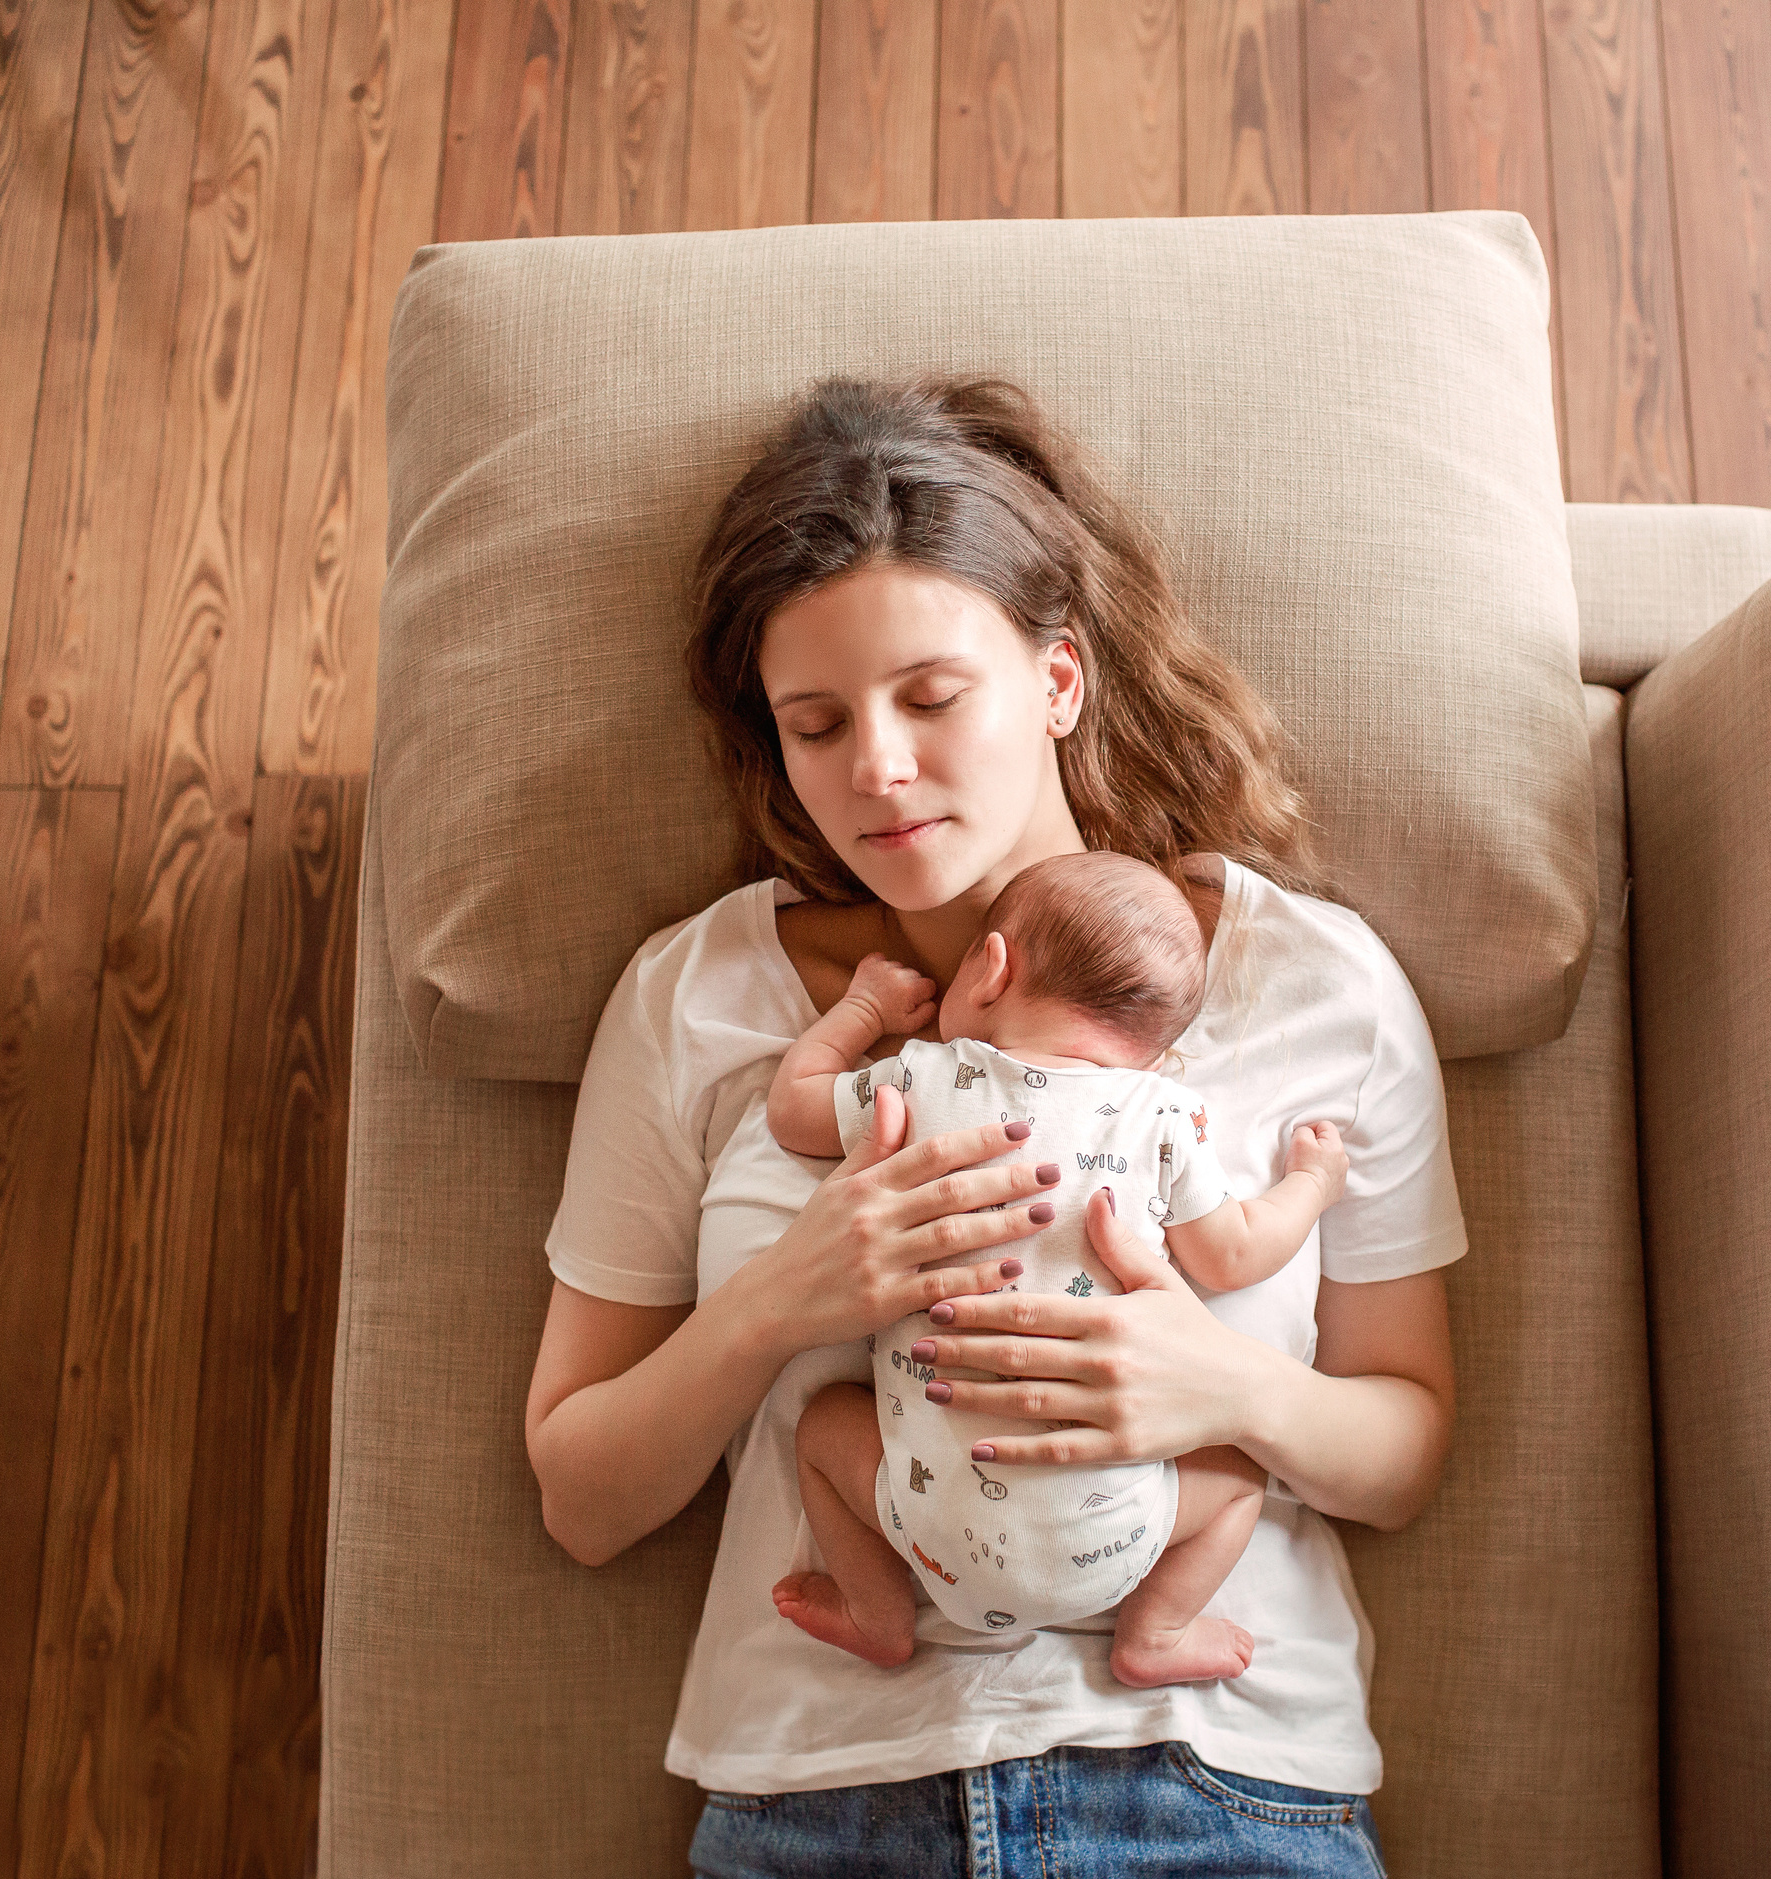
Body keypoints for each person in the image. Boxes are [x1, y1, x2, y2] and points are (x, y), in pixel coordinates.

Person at [523, 370, 1464, 1877]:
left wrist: (1213, 1382)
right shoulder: (697, 1000)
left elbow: (1403, 1449)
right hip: (823, 1803)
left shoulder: (1316, 985)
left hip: (1216, 1794)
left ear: (1058, 678)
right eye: (816, 724)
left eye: (931, 697)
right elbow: (582, 1497)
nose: (877, 770)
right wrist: (785, 1297)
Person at [762, 849, 1351, 1687]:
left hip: (929, 1529)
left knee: (824, 1426)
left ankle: (878, 1612)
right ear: (1155, 1053)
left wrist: (863, 1009)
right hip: (1112, 1542)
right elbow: (1235, 1252)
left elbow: (794, 1110)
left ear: (990, 967)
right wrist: (1311, 1184)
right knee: (1239, 1474)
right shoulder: (1162, 1115)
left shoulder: (926, 1077)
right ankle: (1155, 1631)